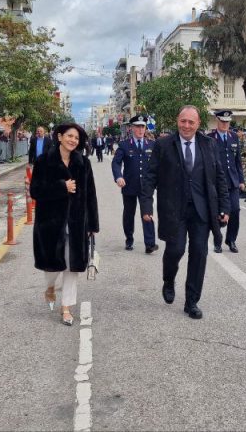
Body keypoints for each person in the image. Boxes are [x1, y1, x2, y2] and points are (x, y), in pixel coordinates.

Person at [140, 105, 229, 320]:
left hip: (201, 210)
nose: (186, 126)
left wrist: (224, 206)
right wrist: (146, 207)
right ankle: (169, 279)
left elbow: (219, 176)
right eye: (183, 121)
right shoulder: (163, 144)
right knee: (176, 250)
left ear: (198, 124)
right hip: (174, 209)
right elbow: (150, 177)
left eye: (191, 122)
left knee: (199, 253)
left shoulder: (209, 144)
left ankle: (192, 301)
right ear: (177, 121)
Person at [30, 123, 99, 326]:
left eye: (76, 138)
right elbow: (35, 191)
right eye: (69, 136)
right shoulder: (43, 162)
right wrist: (62, 187)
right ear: (59, 137)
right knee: (52, 268)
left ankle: (66, 307)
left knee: (72, 266)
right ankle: (50, 287)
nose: (73, 141)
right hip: (51, 224)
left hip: (77, 223)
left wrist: (92, 224)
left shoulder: (83, 163)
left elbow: (91, 195)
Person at [111, 115, 157, 254]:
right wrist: (118, 176)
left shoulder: (151, 144)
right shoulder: (124, 145)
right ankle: (129, 239)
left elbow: (157, 165)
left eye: (142, 126)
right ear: (131, 128)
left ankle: (150, 244)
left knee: (147, 213)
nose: (140, 129)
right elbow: (116, 163)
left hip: (146, 187)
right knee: (129, 214)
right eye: (137, 126)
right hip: (129, 186)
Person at [208, 110, 244, 252]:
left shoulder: (234, 137)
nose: (225, 124)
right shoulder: (210, 138)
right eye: (223, 121)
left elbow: (237, 161)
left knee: (234, 210)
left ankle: (231, 240)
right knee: (218, 213)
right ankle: (218, 241)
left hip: (233, 181)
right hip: (217, 182)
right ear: (217, 121)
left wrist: (241, 179)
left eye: (227, 122)